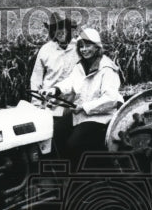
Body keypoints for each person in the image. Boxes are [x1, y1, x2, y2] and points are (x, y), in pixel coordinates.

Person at [43, 27, 124, 165]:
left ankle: (85, 174)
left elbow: (111, 99)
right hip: (82, 112)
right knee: (56, 132)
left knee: (74, 143)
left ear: (97, 47)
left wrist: (84, 107)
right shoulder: (80, 66)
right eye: (81, 46)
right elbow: (71, 81)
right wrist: (55, 90)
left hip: (101, 116)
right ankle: (64, 171)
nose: (84, 49)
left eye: (88, 45)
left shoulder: (107, 68)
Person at [30, 13, 79, 156]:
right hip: (51, 103)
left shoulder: (79, 47)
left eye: (63, 28)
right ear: (52, 32)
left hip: (73, 101)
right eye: (55, 29)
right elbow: (36, 78)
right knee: (51, 136)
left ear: (69, 28)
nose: (60, 32)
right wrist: (36, 104)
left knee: (70, 136)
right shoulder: (45, 50)